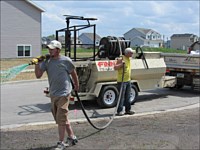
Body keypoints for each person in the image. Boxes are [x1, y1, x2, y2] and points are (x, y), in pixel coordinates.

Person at [34, 40, 79, 149]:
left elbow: (73, 73)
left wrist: (77, 86)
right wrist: (37, 64)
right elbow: (38, 75)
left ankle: (61, 142)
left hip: (64, 93)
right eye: (49, 48)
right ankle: (72, 137)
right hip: (53, 94)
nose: (49, 50)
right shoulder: (47, 62)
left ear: (58, 50)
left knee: (61, 118)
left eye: (52, 48)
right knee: (61, 119)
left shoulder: (66, 61)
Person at [114, 47, 135, 116]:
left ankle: (128, 110)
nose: (132, 54)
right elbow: (115, 68)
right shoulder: (121, 59)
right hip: (122, 81)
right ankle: (119, 111)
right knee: (121, 97)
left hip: (128, 80)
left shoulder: (129, 59)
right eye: (131, 53)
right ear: (127, 53)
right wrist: (121, 64)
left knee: (128, 96)